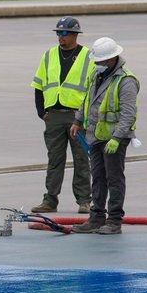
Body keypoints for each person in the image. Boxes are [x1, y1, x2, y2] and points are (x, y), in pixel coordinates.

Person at [69, 37, 139, 235]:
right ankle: (96, 218)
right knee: (98, 178)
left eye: (99, 61)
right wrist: (77, 121)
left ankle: (114, 220)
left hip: (114, 139)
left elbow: (128, 114)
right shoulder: (96, 75)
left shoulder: (126, 81)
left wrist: (117, 138)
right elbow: (87, 100)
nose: (96, 64)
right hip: (96, 135)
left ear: (111, 59)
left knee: (114, 178)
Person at [30, 16, 93, 214]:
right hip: (54, 116)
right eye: (58, 33)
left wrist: (86, 116)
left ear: (75, 34)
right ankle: (50, 200)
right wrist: (43, 112)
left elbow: (94, 88)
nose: (60, 37)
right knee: (54, 159)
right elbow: (38, 85)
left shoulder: (88, 57)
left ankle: (84, 201)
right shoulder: (49, 55)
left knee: (81, 159)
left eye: (64, 33)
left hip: (77, 116)